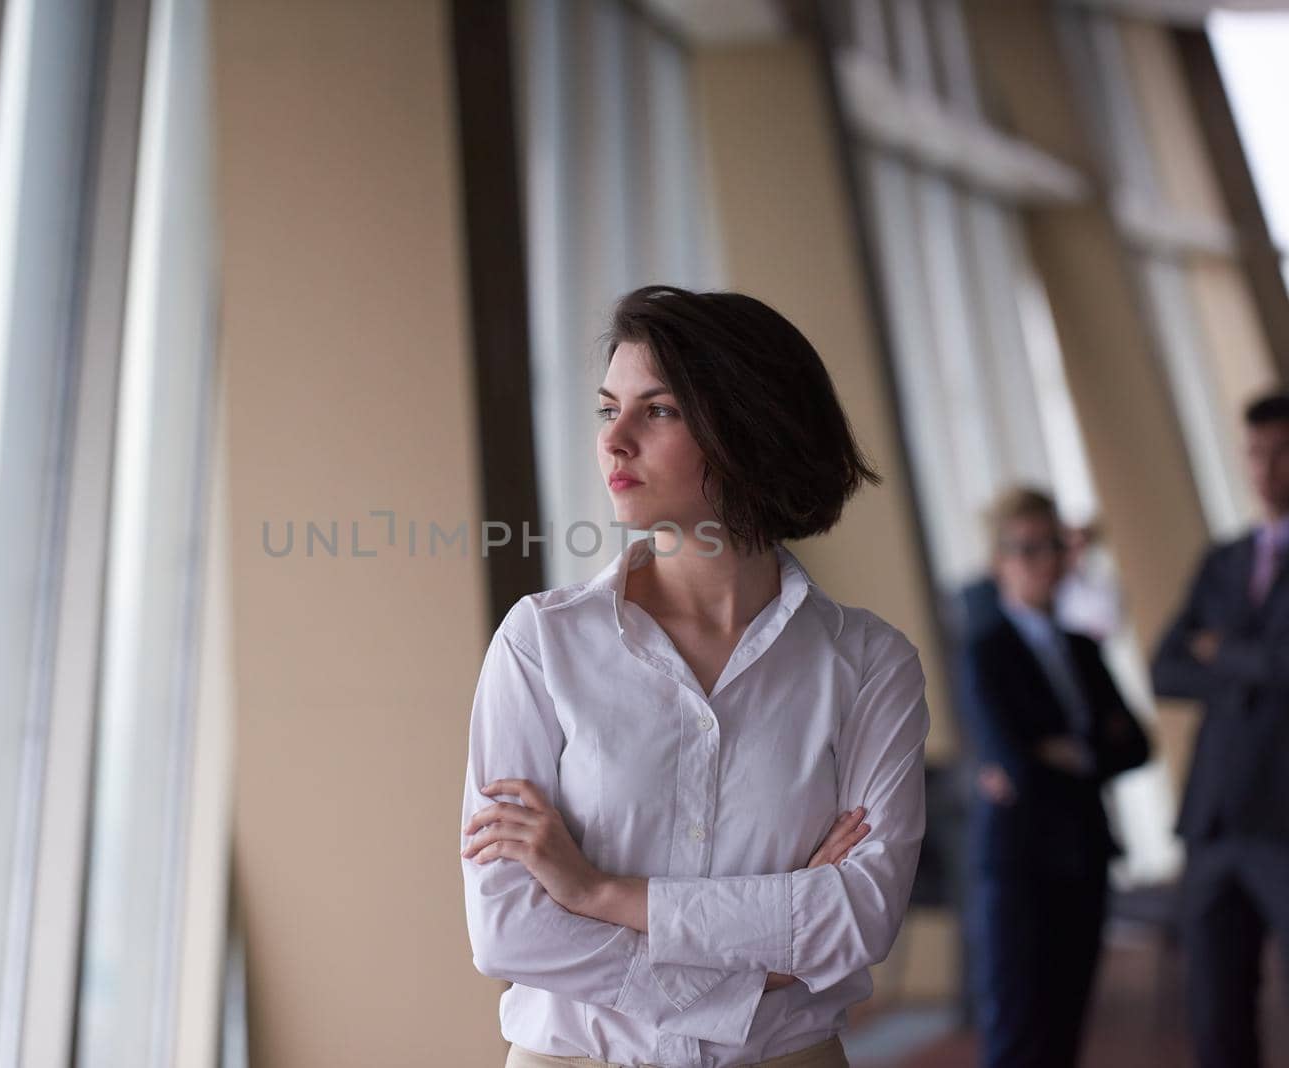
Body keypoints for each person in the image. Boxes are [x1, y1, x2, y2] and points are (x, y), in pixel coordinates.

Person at [459, 285, 930, 1068]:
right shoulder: (541, 644)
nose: (615, 442)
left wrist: (598, 893)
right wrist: (767, 963)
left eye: (660, 411)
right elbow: (509, 929)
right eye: (609, 409)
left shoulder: (870, 666)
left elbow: (861, 918)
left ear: (748, 428)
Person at [959, 487, 1150, 1068]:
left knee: (1067, 1032)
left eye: (1053, 546)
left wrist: (1066, 751)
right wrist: (1088, 747)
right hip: (1021, 865)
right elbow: (1014, 761)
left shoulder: (1082, 648)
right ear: (1000, 562)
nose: (1045, 560)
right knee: (1018, 1034)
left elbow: (1138, 746)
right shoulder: (984, 650)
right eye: (1027, 548)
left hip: (1087, 854)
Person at [1151, 391, 1289, 1068]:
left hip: (1285, 818)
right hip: (1214, 820)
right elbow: (1164, 668)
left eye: (1282, 451)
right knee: (1215, 1017)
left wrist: (1222, 651)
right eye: (1256, 452)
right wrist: (1255, 665)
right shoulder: (1225, 560)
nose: (1266, 468)